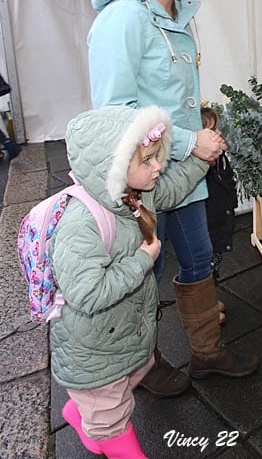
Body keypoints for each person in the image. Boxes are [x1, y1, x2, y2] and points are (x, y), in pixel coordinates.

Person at [87, 0, 259, 397]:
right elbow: (115, 113)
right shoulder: (122, 20)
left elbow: (160, 96)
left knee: (199, 258)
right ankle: (144, 364)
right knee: (146, 272)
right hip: (144, 176)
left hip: (183, 172)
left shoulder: (174, 18)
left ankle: (206, 355)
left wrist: (197, 119)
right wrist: (188, 140)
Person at [51, 105, 210, 457]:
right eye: (147, 160)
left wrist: (203, 161)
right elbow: (87, 293)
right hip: (94, 350)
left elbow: (173, 188)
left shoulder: (136, 194)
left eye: (158, 156)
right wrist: (143, 260)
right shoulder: (80, 225)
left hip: (121, 338)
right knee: (113, 420)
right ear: (114, 166)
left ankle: (78, 412)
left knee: (135, 372)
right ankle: (98, 423)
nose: (158, 166)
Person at [201, 105, 238, 323]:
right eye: (213, 132)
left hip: (219, 219)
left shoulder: (220, 158)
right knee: (206, 265)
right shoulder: (203, 168)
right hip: (210, 224)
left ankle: (211, 298)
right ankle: (206, 305)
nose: (219, 135)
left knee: (214, 263)